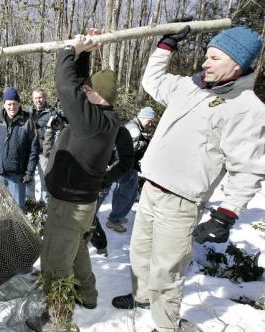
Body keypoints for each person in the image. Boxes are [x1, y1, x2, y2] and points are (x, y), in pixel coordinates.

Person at [112, 26, 265, 332]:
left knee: (168, 269)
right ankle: (142, 296)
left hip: (182, 202)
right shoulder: (191, 87)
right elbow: (151, 81)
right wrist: (165, 47)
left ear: (236, 64)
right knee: (140, 254)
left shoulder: (247, 109)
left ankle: (166, 325)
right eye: (206, 55)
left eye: (214, 57)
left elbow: (248, 167)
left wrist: (226, 214)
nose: (205, 62)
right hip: (151, 189)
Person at [32, 28, 121, 330]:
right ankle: (88, 294)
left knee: (55, 266)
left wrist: (69, 49)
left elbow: (67, 87)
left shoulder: (93, 121)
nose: (85, 90)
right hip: (82, 206)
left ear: (98, 96)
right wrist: (83, 53)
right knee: (78, 251)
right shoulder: (103, 117)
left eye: (90, 90)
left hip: (69, 207)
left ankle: (58, 319)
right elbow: (80, 85)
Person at [105, 106, 155, 233]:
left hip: (125, 165)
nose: (150, 123)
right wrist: (144, 143)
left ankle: (116, 216)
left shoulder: (133, 126)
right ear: (143, 117)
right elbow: (129, 148)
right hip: (127, 166)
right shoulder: (134, 129)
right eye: (149, 120)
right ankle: (114, 220)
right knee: (128, 195)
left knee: (120, 191)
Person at [0, 87, 39, 211]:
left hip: (17, 176)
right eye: (9, 104)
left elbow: (34, 149)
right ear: (4, 104)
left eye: (15, 104)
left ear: (19, 104)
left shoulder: (28, 121)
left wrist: (29, 171)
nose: (12, 107)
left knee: (18, 210)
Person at [90, 126, 134, 255]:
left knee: (89, 217)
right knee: (86, 217)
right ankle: (97, 244)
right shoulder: (85, 126)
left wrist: (104, 177)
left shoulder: (118, 131)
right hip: (81, 183)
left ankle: (100, 245)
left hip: (99, 185)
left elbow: (123, 161)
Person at [25, 88, 56, 203]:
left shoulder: (52, 112)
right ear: (33, 99)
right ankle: (30, 204)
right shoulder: (28, 112)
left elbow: (53, 131)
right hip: (30, 151)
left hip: (44, 151)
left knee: (45, 180)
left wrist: (38, 131)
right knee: (29, 178)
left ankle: (44, 205)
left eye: (40, 97)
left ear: (45, 98)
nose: (38, 100)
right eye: (36, 98)